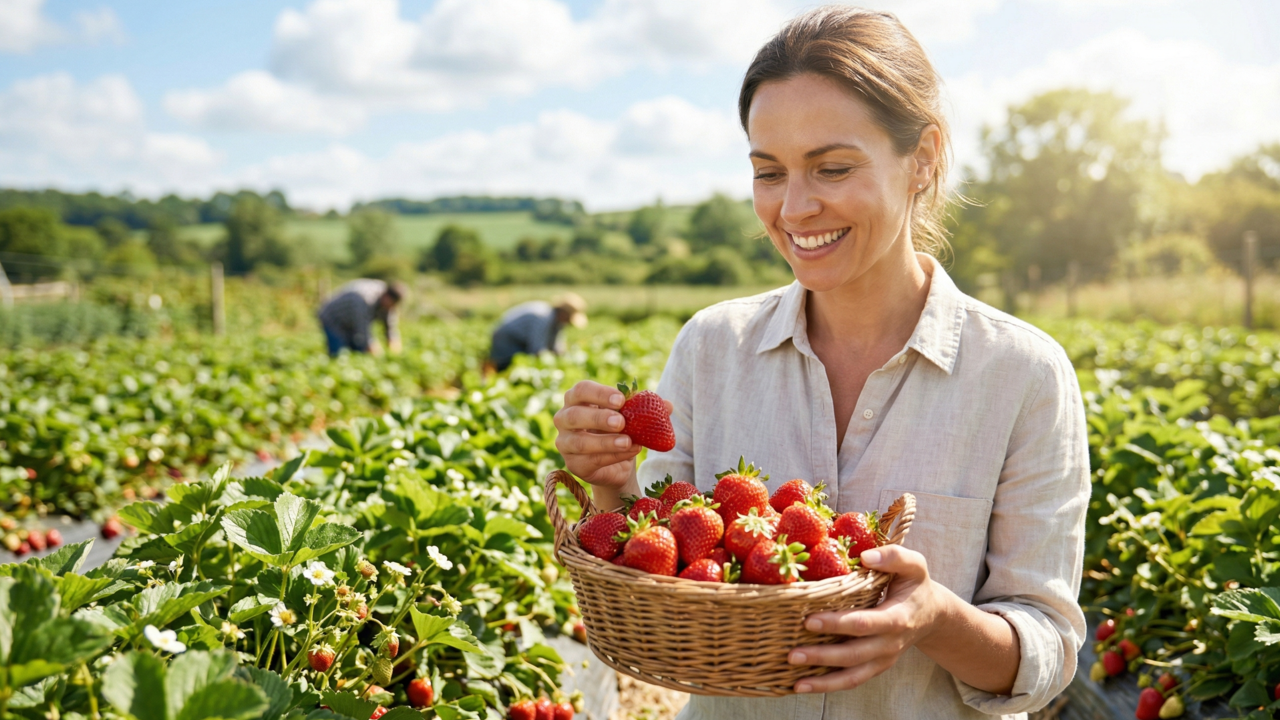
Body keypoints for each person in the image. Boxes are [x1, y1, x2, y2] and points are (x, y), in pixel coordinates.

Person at [552, 7, 1088, 720]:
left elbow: (1046, 648)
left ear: (923, 158)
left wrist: (933, 618)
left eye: (832, 168)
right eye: (768, 172)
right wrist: (613, 486)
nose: (796, 208)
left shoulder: (1022, 374)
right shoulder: (713, 347)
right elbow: (661, 566)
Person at [488, 293, 588, 371]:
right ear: (563, 313)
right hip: (507, 339)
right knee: (506, 367)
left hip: (521, 341)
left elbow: (558, 348)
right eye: (569, 320)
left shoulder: (558, 323)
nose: (568, 324)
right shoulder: (542, 318)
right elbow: (536, 350)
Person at [318, 279, 405, 358]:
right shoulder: (365, 300)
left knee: (358, 349)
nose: (391, 308)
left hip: (350, 320)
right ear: (387, 297)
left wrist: (393, 345)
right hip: (333, 318)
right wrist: (376, 351)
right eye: (391, 304)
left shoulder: (388, 300)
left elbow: (390, 327)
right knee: (339, 353)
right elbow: (362, 331)